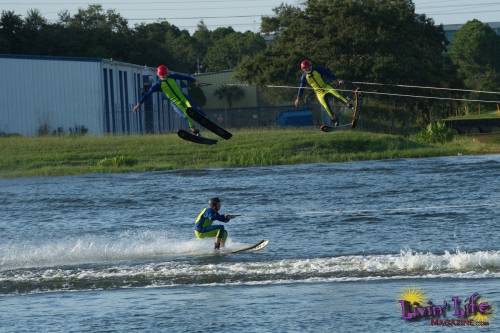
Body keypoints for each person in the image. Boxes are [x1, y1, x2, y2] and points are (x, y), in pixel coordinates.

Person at [133, 64, 200, 135]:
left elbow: (184, 77)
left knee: (192, 111)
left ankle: (199, 125)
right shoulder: (158, 85)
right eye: (164, 75)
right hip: (176, 103)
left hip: (184, 100)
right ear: (160, 75)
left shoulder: (172, 76)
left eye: (166, 74)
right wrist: (139, 104)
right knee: (187, 115)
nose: (165, 76)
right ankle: (194, 130)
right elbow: (147, 94)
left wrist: (194, 80)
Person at [294, 59, 353, 128]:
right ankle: (335, 120)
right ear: (303, 69)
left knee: (337, 95)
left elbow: (328, 74)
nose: (307, 69)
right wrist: (298, 98)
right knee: (326, 107)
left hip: (326, 87)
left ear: (310, 66)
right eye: (305, 69)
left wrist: (337, 79)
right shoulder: (304, 77)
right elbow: (301, 88)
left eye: (308, 67)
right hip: (319, 93)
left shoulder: (317, 69)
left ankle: (349, 105)